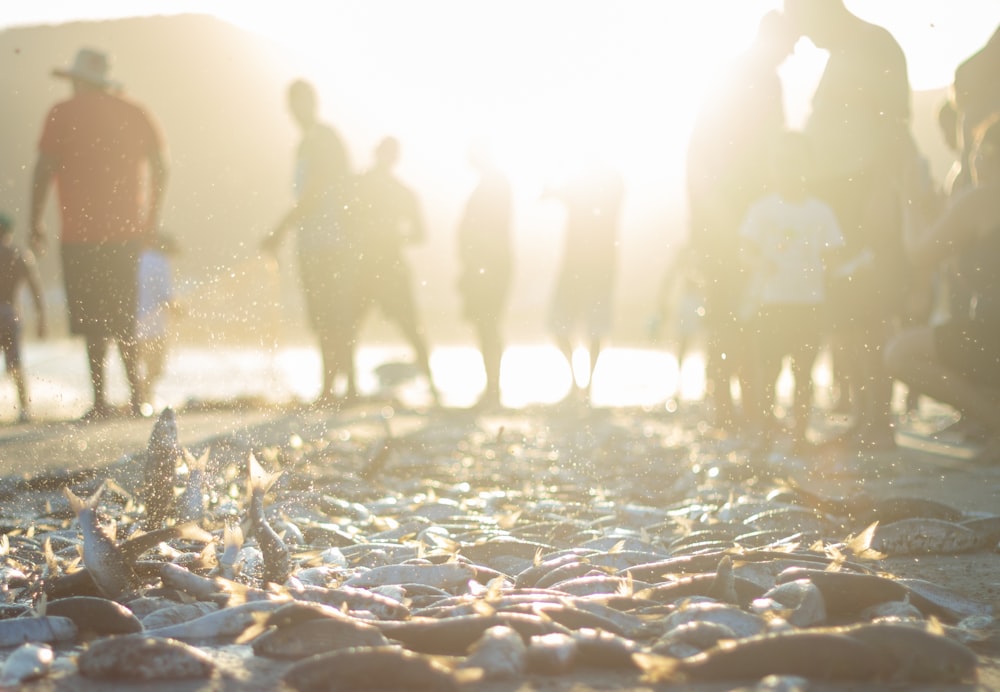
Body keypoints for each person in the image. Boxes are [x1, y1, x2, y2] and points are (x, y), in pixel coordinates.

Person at [784, 0, 913, 451]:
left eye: (801, 21)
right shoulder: (840, 54)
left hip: (861, 192)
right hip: (835, 196)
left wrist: (881, 191)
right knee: (845, 313)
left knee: (868, 309)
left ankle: (880, 419)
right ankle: (865, 414)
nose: (801, 37)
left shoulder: (873, 44)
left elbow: (894, 124)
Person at [30, 47, 168, 420]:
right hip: (126, 233)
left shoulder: (61, 114)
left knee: (93, 322)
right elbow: (161, 168)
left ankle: (101, 401)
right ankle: (138, 397)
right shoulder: (134, 112)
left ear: (77, 79)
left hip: (78, 235)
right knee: (123, 315)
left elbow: (43, 169)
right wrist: (150, 221)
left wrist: (34, 223)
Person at [685, 10, 797, 430]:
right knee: (727, 314)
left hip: (755, 216)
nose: (790, 55)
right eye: (789, 45)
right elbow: (698, 156)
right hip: (723, 220)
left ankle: (750, 406)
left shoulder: (769, 82)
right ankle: (725, 408)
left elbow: (776, 152)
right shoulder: (733, 77)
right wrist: (705, 223)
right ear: (772, 38)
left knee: (754, 313)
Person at [885, 113, 1000, 458]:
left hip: (992, 334)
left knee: (900, 353)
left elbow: (919, 254)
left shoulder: (981, 199)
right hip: (987, 333)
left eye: (978, 148)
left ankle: (995, 421)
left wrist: (908, 199)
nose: (973, 157)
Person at [738, 131, 845, 451]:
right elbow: (744, 250)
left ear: (808, 167)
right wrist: (759, 263)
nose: (787, 170)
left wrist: (834, 267)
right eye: (781, 164)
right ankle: (767, 432)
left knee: (804, 372)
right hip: (772, 303)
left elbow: (834, 251)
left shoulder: (820, 211)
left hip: (809, 303)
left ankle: (800, 433)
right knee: (768, 370)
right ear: (772, 168)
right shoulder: (762, 209)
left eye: (795, 163)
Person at [260, 79, 357, 405]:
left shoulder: (321, 139)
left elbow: (314, 192)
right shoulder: (307, 142)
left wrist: (279, 229)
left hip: (330, 241)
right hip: (315, 241)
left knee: (333, 314)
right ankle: (338, 387)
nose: (294, 112)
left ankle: (336, 388)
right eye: (291, 105)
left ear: (312, 103)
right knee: (327, 315)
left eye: (299, 103)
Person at [353, 136, 438, 405]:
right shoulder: (373, 187)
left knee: (410, 328)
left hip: (383, 266)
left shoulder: (374, 188)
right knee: (351, 325)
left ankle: (433, 388)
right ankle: (349, 388)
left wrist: (389, 238)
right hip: (374, 265)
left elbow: (421, 234)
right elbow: (420, 234)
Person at [544, 159, 624, 405]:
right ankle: (579, 383)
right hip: (585, 268)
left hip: (592, 269)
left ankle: (584, 384)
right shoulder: (603, 186)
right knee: (565, 325)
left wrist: (556, 191)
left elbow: (563, 195)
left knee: (589, 327)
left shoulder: (605, 187)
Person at [455, 140, 513, 410]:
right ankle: (492, 387)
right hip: (484, 266)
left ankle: (493, 388)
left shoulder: (494, 185)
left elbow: (491, 229)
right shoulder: (489, 184)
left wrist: (478, 264)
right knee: (486, 325)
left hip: (489, 268)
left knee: (488, 325)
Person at [0, 213, 46, 423]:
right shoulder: (19, 255)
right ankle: (24, 409)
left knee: (14, 363)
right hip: (10, 313)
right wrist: (41, 318)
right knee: (15, 362)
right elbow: (36, 289)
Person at [135, 232, 181, 411]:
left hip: (133, 325)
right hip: (154, 328)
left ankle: (140, 397)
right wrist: (179, 310)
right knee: (156, 368)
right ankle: (145, 396)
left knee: (136, 366)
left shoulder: (140, 258)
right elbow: (166, 296)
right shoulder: (161, 263)